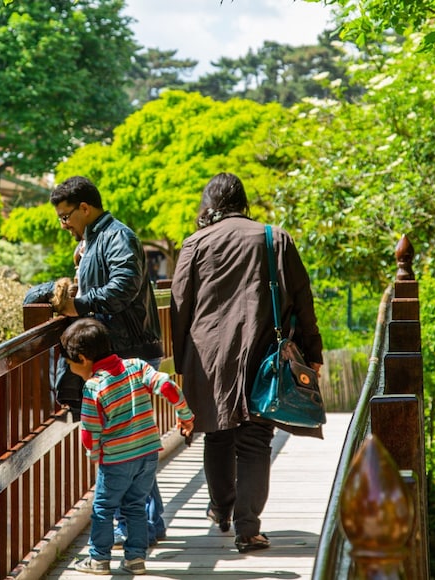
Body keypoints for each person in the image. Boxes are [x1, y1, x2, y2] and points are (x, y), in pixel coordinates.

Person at [170, 172, 324, 554]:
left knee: (217, 432)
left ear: (209, 204)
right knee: (255, 439)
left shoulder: (195, 243)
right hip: (262, 349)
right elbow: (302, 299)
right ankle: (248, 529)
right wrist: (313, 353)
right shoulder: (275, 238)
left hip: (209, 356)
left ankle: (221, 510)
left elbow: (179, 306)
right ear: (243, 202)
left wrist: (181, 363)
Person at [50, 175, 168, 545]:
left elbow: (123, 287)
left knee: (124, 449)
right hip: (121, 349)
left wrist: (78, 304)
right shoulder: (94, 240)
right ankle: (147, 523)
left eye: (66, 216)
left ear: (85, 208)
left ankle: (137, 526)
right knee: (131, 446)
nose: (63, 224)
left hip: (129, 350)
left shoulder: (117, 236)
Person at [61, 318, 194, 575]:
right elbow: (168, 385)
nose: (70, 368)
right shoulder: (136, 366)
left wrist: (94, 453)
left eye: (69, 363)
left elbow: (89, 430)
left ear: (83, 358)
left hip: (116, 459)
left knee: (103, 508)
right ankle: (135, 559)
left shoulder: (93, 386)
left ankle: (98, 558)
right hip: (148, 454)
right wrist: (185, 415)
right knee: (135, 506)